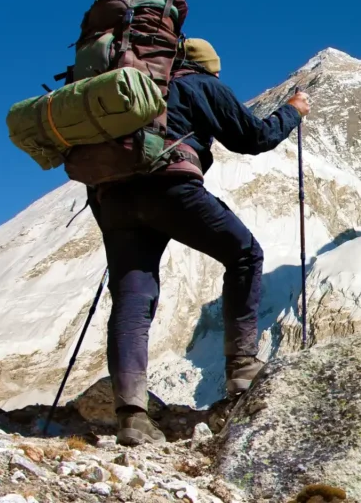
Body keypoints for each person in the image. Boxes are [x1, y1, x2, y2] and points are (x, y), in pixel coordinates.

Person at [87, 38, 311, 446]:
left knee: (132, 298)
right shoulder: (200, 84)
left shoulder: (130, 89)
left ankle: (131, 416)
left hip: (112, 196)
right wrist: (293, 113)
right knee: (244, 254)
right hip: (170, 187)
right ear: (208, 67)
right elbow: (253, 138)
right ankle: (242, 365)